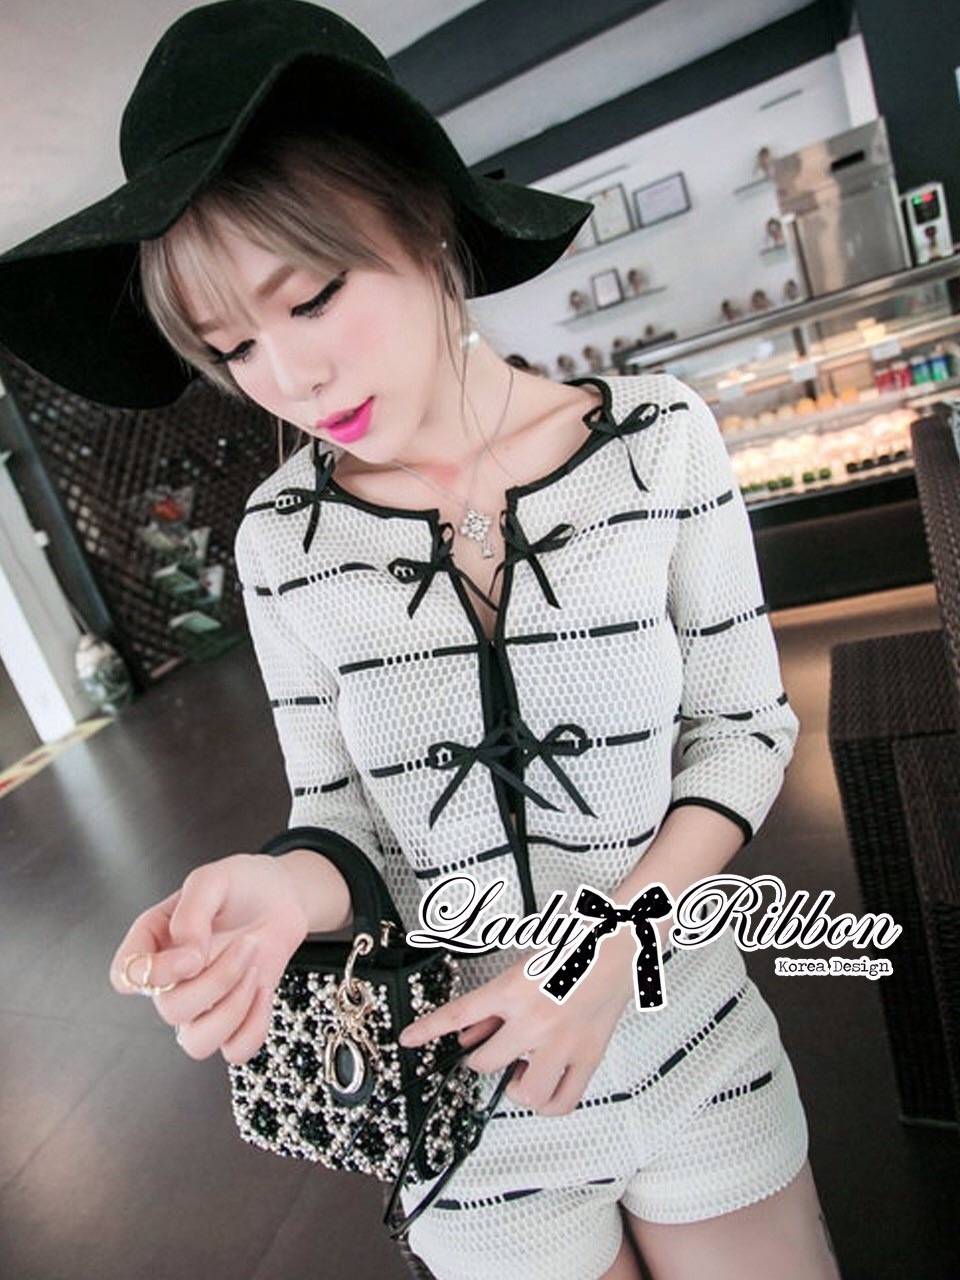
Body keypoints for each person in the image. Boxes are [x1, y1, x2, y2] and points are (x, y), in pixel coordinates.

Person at [0, 4, 842, 1278]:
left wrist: (611, 945)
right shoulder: (282, 541)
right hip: (464, 1107)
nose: (288, 376)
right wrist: (285, 888)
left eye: (313, 296)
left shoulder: (661, 441)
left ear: (428, 221)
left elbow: (741, 730)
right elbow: (345, 815)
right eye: (233, 347)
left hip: (691, 1038)